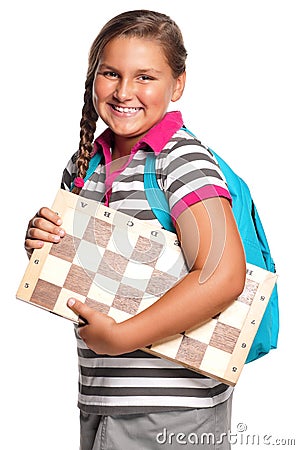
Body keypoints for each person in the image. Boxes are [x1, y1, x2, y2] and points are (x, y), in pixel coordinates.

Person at [24, 9, 246, 450]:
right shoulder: (84, 164)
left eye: (145, 77)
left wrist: (121, 338)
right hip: (103, 394)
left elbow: (222, 276)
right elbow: (97, 272)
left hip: (175, 411)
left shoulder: (179, 160)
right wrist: (41, 243)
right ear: (93, 78)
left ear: (177, 84)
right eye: (111, 73)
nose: (125, 91)